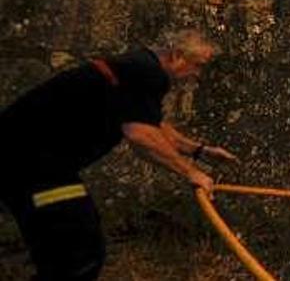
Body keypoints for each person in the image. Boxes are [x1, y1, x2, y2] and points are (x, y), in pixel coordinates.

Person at [0, 29, 237, 280]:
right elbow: (139, 134)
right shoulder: (148, 73)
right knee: (79, 252)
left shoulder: (140, 67)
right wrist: (191, 173)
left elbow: (149, 122)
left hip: (37, 163)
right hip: (29, 164)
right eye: (197, 65)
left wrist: (198, 151)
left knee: (73, 250)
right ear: (177, 55)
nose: (197, 75)